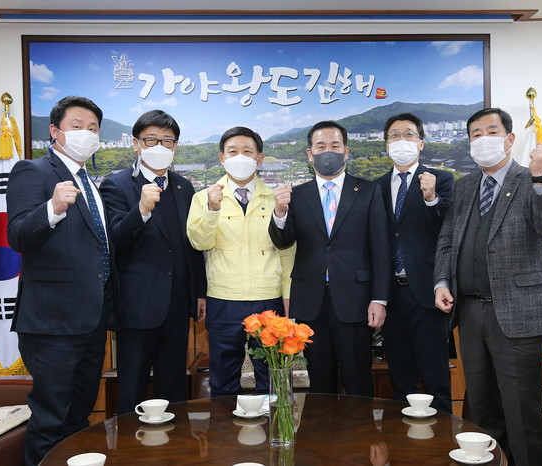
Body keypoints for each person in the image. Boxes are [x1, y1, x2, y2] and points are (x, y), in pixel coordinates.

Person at [434, 107, 542, 465]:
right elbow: (447, 240)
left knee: (521, 412)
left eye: (491, 132)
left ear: (509, 139)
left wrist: (541, 177)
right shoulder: (464, 187)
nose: (483, 139)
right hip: (470, 311)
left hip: (519, 312)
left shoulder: (530, 179)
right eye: (475, 134)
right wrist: (442, 282)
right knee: (481, 408)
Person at [6, 96, 122, 466]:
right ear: (55, 131)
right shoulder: (32, 171)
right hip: (52, 322)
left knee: (79, 417)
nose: (86, 133)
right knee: (50, 419)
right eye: (77, 125)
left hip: (93, 320)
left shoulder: (90, 182)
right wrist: (52, 209)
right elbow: (17, 235)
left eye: (93, 128)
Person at [269, 120, 391, 396]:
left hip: (356, 300)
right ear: (310, 153)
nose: (328, 152)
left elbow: (381, 249)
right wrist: (280, 212)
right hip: (311, 301)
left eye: (335, 146)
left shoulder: (368, 191)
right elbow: (282, 240)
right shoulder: (297, 195)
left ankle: (359, 425)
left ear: (346, 151)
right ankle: (321, 426)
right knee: (319, 384)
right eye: (320, 146)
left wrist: (379, 299)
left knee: (357, 380)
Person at [99, 110, 206, 415]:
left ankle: (175, 442)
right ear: (136, 144)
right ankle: (128, 444)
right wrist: (142, 210)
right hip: (137, 306)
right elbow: (116, 240)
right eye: (151, 140)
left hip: (177, 305)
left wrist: (199, 292)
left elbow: (192, 245)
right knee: (132, 388)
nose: (160, 146)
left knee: (173, 388)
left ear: (175, 147)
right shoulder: (116, 185)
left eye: (167, 141)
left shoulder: (184, 187)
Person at [186, 126, 295, 397]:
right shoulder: (203, 198)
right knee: (223, 382)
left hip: (268, 300)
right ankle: (224, 426)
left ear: (259, 158)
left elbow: (287, 253)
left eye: (248, 151)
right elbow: (199, 243)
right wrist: (212, 209)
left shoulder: (277, 199)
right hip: (223, 300)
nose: (240, 157)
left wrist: (288, 296)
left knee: (272, 379)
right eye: (233, 151)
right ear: (222, 158)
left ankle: (272, 425)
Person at [375, 113, 454, 412]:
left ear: (421, 143)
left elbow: (448, 228)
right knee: (400, 374)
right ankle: (401, 437)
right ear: (387, 145)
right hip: (391, 294)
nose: (401, 140)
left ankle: (443, 434)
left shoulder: (441, 179)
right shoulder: (377, 187)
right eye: (394, 135)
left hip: (428, 291)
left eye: (408, 135)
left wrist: (431, 197)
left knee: (435, 374)